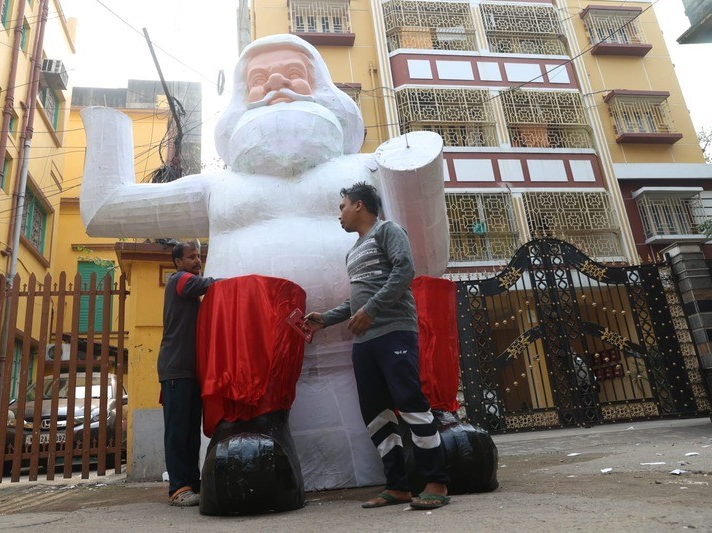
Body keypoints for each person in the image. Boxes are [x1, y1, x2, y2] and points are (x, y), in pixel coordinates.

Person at [80, 33, 449, 491]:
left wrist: (419, 169)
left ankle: (434, 452)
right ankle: (257, 439)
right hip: (258, 379)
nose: (276, 82)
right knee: (254, 459)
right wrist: (107, 124)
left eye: (295, 73)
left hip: (366, 344)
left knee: (402, 400)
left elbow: (427, 260)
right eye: (257, 79)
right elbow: (104, 209)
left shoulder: (366, 168)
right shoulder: (218, 185)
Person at [305, 182, 451, 510]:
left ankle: (436, 482)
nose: (339, 214)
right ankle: (397, 486)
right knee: (376, 415)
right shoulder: (353, 251)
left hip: (394, 332)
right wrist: (326, 318)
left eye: (342, 206)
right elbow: (358, 299)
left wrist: (370, 310)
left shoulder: (388, 231)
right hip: (365, 341)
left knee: (411, 405)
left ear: (359, 205)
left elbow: (404, 271)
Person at [158, 241, 218, 507]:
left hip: (190, 372)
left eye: (198, 256)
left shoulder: (189, 290)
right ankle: (178, 488)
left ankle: (192, 484)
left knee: (191, 432)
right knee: (178, 431)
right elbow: (206, 284)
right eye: (191, 257)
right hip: (177, 369)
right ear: (178, 262)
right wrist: (235, 280)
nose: (197, 261)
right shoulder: (179, 281)